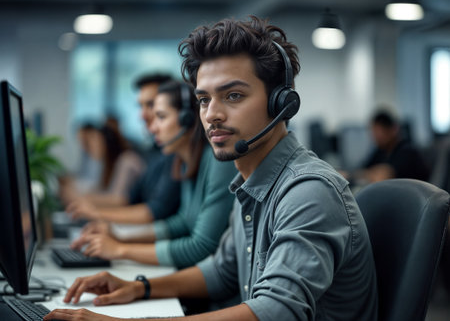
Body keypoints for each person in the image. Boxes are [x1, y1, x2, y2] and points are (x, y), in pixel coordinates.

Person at [45, 16, 378, 321]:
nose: (211, 114)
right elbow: (221, 272)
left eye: (232, 96)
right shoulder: (249, 183)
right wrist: (138, 287)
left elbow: (277, 310)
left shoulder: (309, 191)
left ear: (281, 103)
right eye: (204, 99)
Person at [69, 80, 237, 269]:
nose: (152, 128)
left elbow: (200, 246)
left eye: (161, 117)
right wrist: (121, 237)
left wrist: (120, 249)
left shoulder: (217, 161)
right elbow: (181, 223)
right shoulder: (183, 163)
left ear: (187, 119)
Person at [65, 74, 181, 225]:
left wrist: (118, 245)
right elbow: (131, 198)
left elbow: (155, 211)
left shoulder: (172, 155)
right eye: (141, 106)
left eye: (151, 105)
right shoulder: (153, 152)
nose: (142, 115)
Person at [353, 109, 430, 184]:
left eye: (379, 132)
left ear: (393, 130)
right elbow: (363, 169)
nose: (375, 137)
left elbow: (383, 176)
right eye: (373, 132)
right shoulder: (381, 150)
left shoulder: (408, 152)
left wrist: (370, 173)